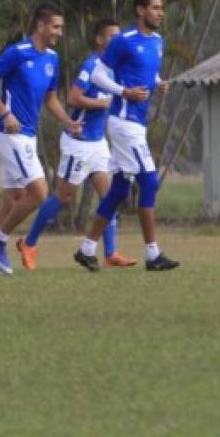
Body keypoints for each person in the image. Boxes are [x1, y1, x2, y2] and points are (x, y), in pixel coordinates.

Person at [16, 19, 136, 269]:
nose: (118, 41)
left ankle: (110, 252)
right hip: (78, 142)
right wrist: (102, 104)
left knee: (110, 196)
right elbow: (73, 98)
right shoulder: (92, 65)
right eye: (112, 37)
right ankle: (28, 242)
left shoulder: (118, 67)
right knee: (64, 197)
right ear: (100, 40)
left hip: (98, 142)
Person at [74, 0, 179, 272]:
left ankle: (86, 249)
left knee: (118, 189)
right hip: (123, 122)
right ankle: (153, 254)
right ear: (140, 10)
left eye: (161, 8)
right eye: (155, 7)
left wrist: (157, 82)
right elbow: (98, 74)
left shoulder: (157, 41)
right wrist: (124, 92)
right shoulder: (123, 41)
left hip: (137, 123)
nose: (160, 12)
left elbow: (146, 71)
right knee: (150, 181)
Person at [0, 4, 81, 275]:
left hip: (28, 137)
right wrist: (4, 112)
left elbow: (49, 98)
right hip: (11, 135)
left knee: (13, 199)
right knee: (39, 192)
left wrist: (67, 122)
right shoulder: (17, 53)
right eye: (56, 26)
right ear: (41, 26)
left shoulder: (53, 59)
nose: (59, 32)